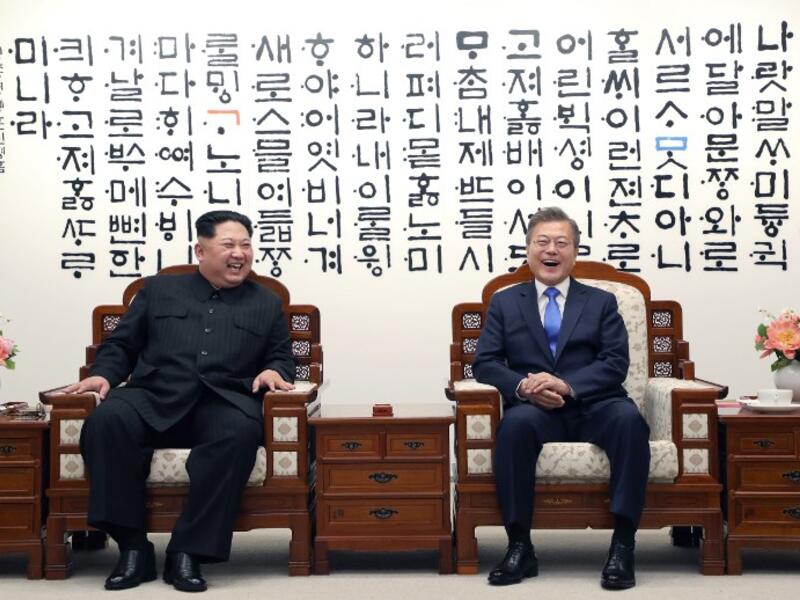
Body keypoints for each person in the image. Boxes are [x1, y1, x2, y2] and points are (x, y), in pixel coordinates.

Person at [63, 210, 295, 592]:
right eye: (229, 245)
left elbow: (281, 356)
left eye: (246, 245)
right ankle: (133, 548)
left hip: (223, 401)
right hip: (155, 395)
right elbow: (122, 344)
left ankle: (188, 551)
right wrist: (103, 374)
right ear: (200, 251)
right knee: (107, 422)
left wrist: (274, 370)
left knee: (238, 433)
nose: (240, 253)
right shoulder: (157, 290)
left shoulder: (266, 303)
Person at [472, 206, 650, 589]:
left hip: (595, 403)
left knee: (629, 421)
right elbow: (485, 363)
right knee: (514, 427)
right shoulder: (505, 302)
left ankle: (623, 544)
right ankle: (520, 546)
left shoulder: (601, 301)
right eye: (543, 242)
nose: (551, 250)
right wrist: (524, 387)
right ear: (528, 250)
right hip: (535, 407)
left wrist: (566, 385)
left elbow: (615, 362)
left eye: (561, 243)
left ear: (574, 252)